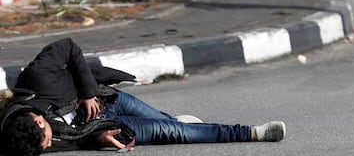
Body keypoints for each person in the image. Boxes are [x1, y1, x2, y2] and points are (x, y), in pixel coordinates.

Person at [0, 38, 286, 155]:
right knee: (174, 132)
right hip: (106, 127)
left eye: (49, 137)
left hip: (106, 99)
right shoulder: (29, 143)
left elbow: (68, 47)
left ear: (38, 120)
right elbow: (70, 143)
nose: (52, 145)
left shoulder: (36, 79)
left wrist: (87, 94)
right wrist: (96, 139)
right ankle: (253, 132)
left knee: (168, 122)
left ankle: (179, 122)